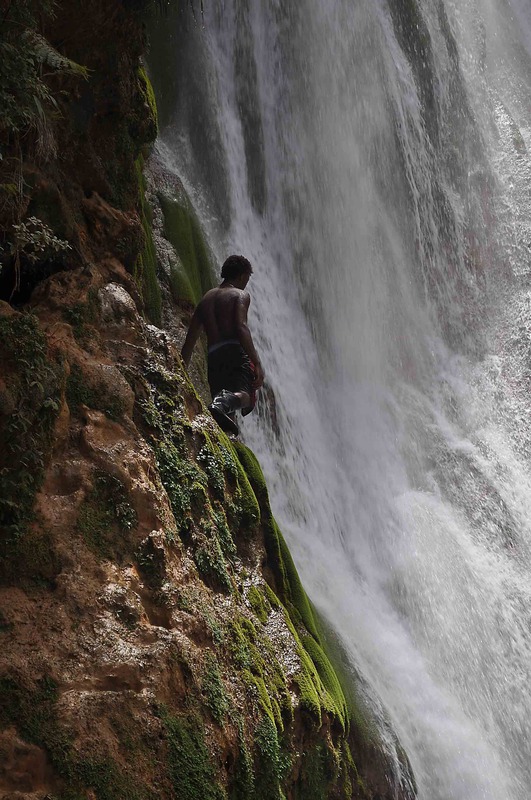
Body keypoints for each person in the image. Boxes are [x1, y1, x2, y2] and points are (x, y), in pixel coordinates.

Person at [181, 254, 265, 435]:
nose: (247, 283)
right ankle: (223, 402)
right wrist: (256, 362)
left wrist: (180, 370)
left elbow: (191, 339)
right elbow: (241, 327)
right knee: (245, 396)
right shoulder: (240, 295)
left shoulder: (206, 299)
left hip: (213, 357)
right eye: (247, 279)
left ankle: (228, 436)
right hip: (234, 351)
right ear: (242, 276)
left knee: (221, 412)